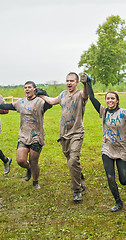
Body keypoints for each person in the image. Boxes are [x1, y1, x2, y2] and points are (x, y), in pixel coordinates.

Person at [84, 74, 126, 212]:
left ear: (117, 100)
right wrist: (88, 82)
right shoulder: (104, 112)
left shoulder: (124, 113)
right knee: (110, 176)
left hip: (122, 149)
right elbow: (92, 98)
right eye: (108, 98)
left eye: (112, 98)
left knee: (124, 180)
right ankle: (118, 201)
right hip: (107, 147)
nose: (110, 100)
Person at [0, 81, 52, 189]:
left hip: (36, 136)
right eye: (25, 88)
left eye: (29, 87)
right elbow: (10, 106)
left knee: (34, 161)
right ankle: (29, 169)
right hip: (24, 135)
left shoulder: (39, 101)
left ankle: (35, 181)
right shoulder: (21, 102)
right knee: (21, 161)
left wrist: (45, 94)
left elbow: (49, 105)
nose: (27, 89)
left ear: (34, 89)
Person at [38, 72, 88, 202]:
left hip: (76, 132)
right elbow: (52, 101)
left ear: (77, 82)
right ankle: (80, 179)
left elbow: (86, 93)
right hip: (63, 133)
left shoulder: (80, 95)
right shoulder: (63, 94)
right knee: (71, 160)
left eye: (72, 81)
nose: (69, 83)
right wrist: (42, 95)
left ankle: (76, 190)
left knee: (73, 160)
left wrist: (86, 83)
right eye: (67, 81)